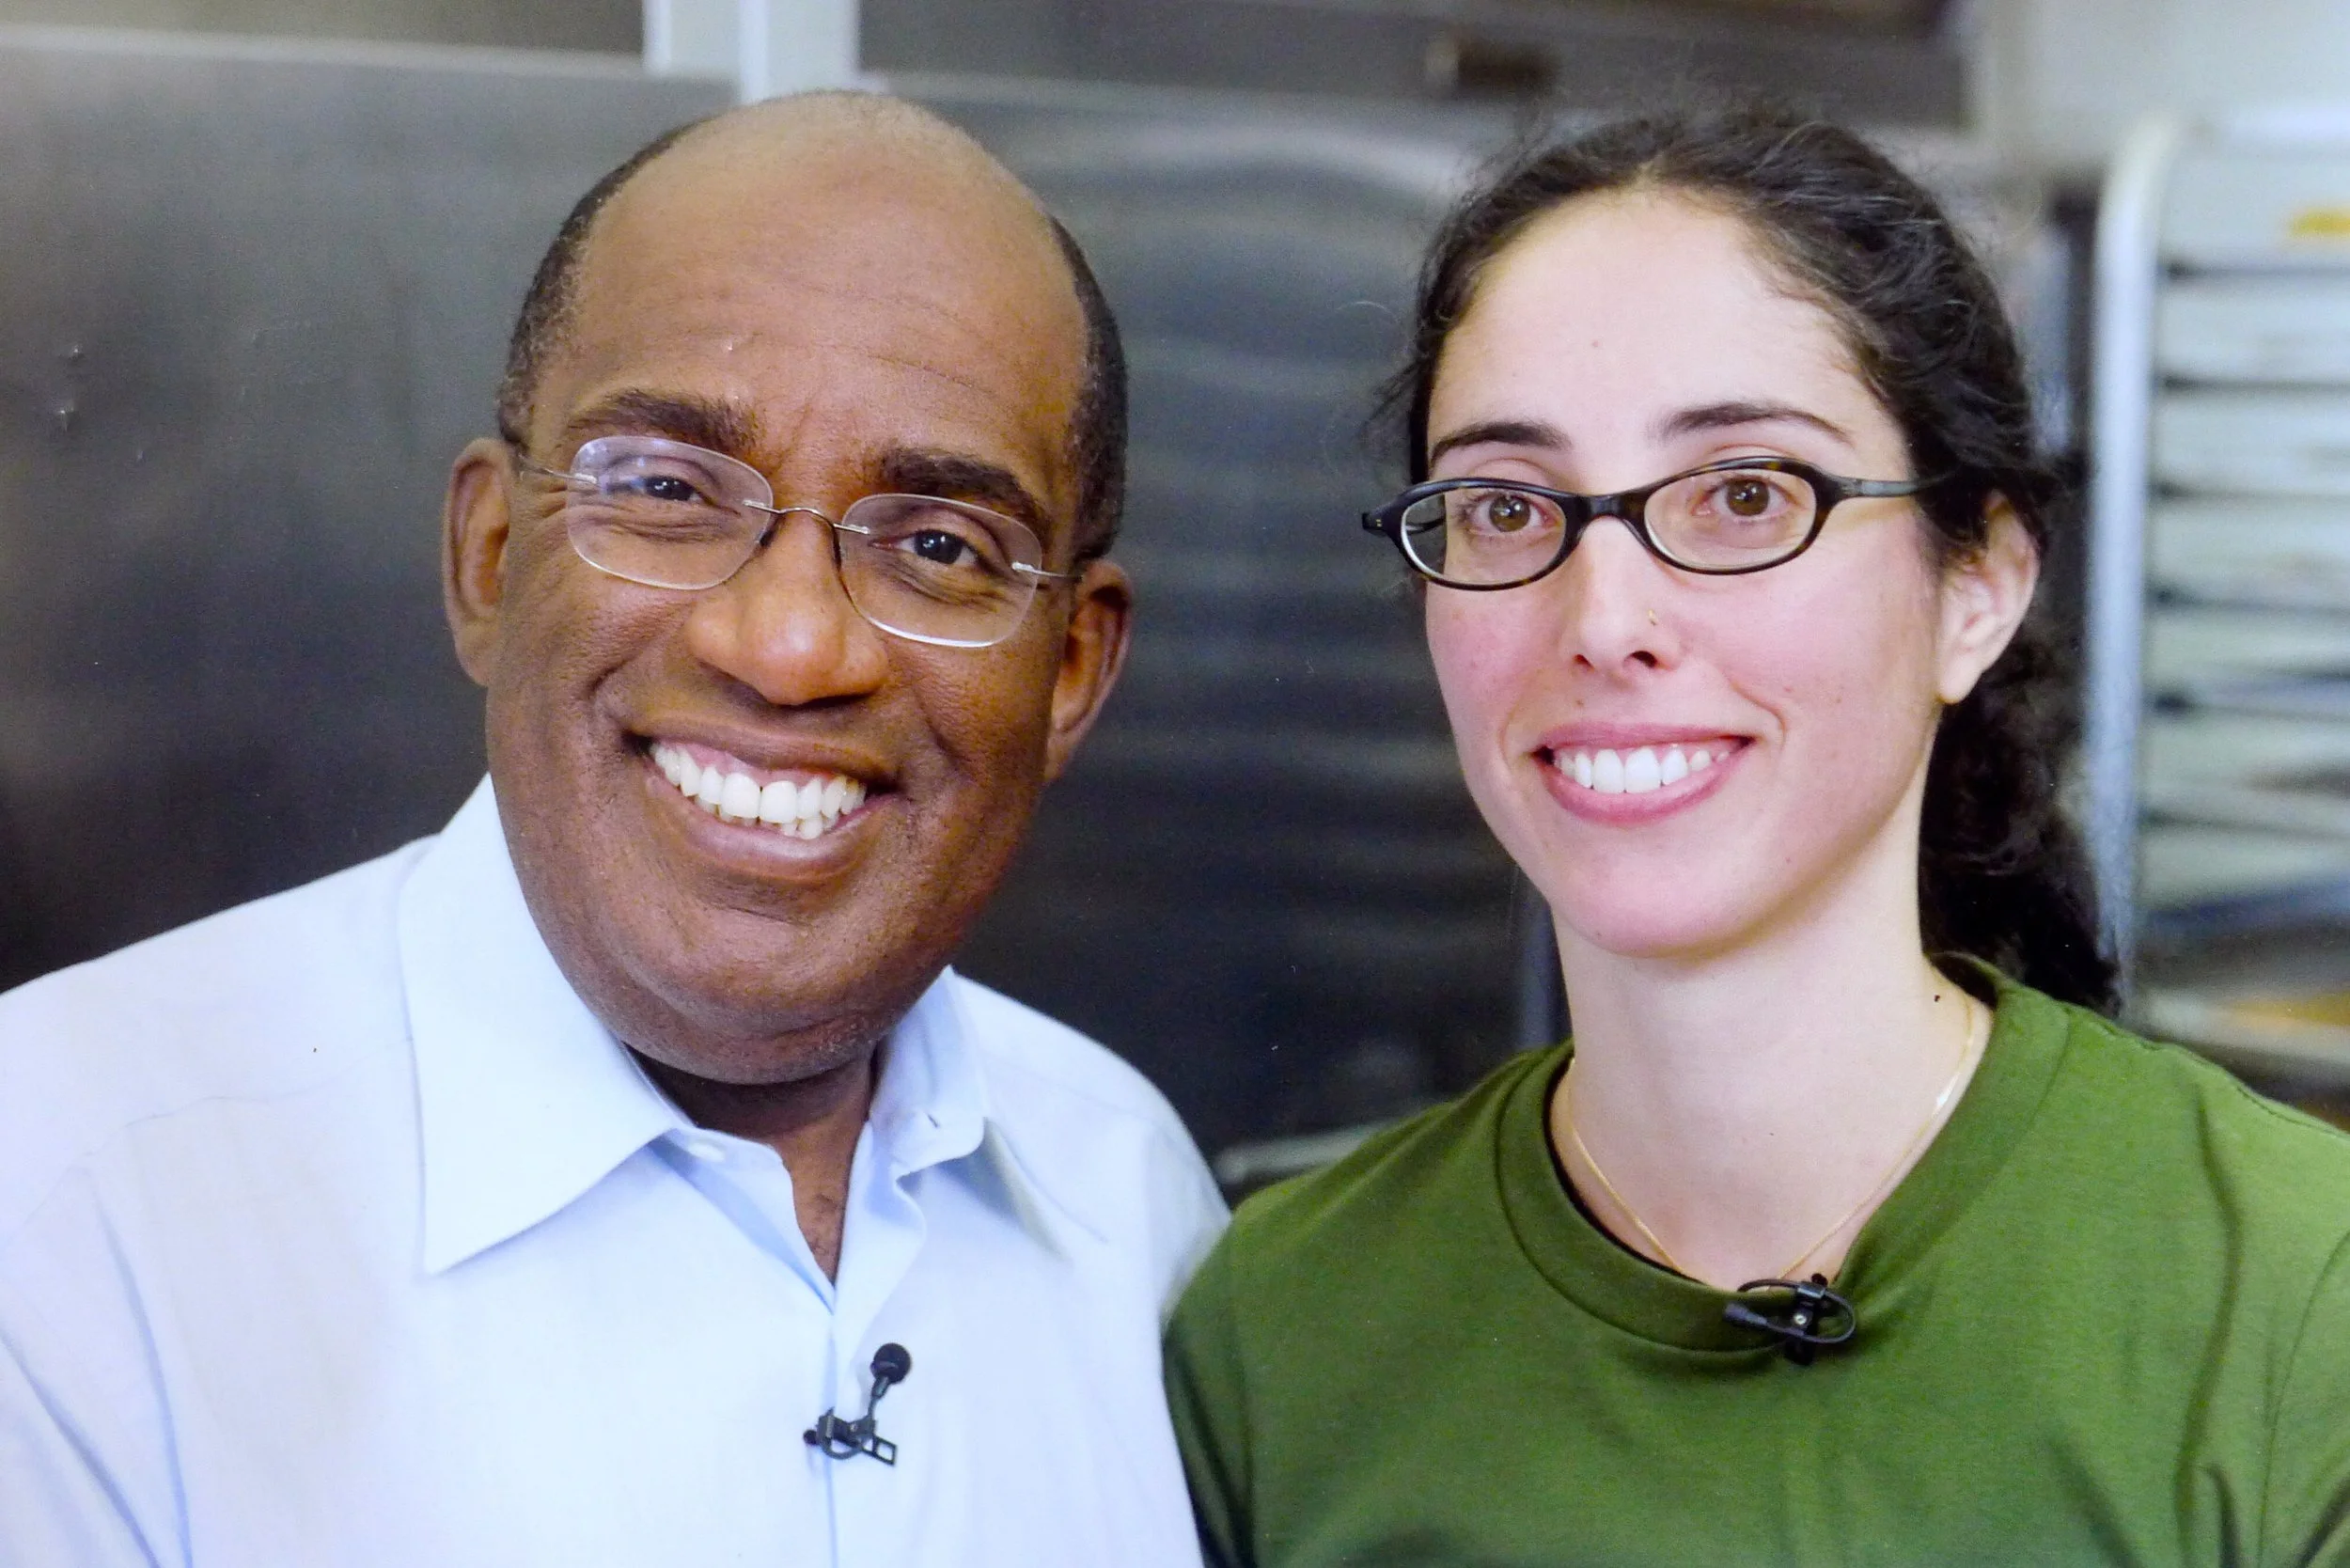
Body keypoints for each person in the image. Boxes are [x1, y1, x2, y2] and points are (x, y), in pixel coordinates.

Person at [0, 93, 1225, 1566]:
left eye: (941, 546)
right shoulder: (62, 1209)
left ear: (1074, 674)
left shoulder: (1127, 1196)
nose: (786, 645)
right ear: (491, 559)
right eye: (664, 490)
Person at [1165, 106, 2350, 1566]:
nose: (1604, 622)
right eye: (1506, 507)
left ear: (1975, 588)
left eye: (1744, 496)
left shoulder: (2297, 1297)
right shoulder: (1279, 1333)